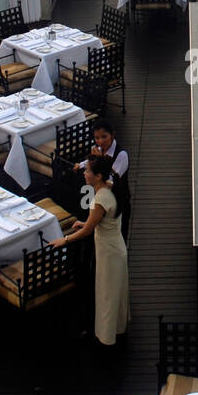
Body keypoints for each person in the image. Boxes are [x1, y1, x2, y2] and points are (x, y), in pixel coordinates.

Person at [50, 154, 128, 347]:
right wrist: (87, 222)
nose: (84, 173)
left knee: (106, 293)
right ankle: (117, 327)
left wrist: (65, 239)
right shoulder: (111, 188)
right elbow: (101, 220)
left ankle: (106, 336)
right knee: (114, 290)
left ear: (98, 176)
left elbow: (87, 231)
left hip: (108, 252)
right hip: (115, 246)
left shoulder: (101, 198)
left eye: (88, 171)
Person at [74, 118, 132, 240]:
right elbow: (89, 163)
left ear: (112, 135)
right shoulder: (99, 150)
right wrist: (80, 165)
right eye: (97, 138)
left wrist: (101, 160)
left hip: (118, 199)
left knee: (119, 233)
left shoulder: (121, 155)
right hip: (102, 199)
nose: (100, 141)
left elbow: (110, 179)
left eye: (104, 137)